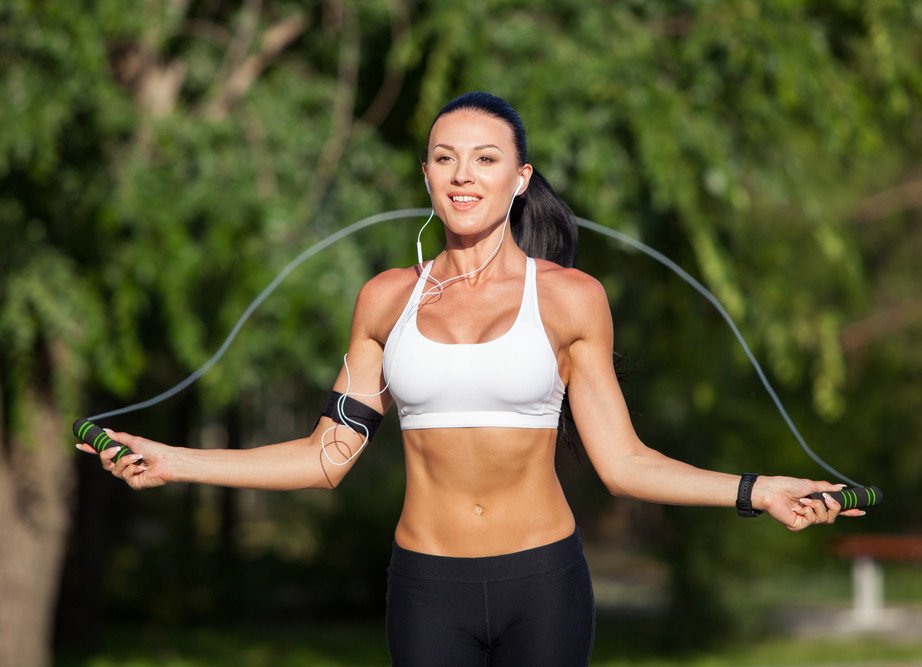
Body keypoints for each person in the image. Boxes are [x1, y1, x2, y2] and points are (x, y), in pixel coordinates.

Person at [79, 91, 862, 665]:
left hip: (544, 583)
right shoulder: (386, 298)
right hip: (426, 588)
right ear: (425, 174)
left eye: (485, 159)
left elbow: (624, 463)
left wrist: (756, 490)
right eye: (446, 158)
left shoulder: (568, 299)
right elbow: (326, 456)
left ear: (519, 178)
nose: (464, 175)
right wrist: (174, 461)